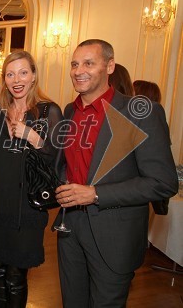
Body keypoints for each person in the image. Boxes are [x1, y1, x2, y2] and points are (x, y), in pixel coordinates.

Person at [54, 39, 178, 307]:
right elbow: (67, 163)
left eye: (89, 63)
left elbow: (163, 183)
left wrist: (95, 194)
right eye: (75, 64)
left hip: (114, 234)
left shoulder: (140, 112)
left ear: (110, 66)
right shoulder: (70, 111)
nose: (78, 70)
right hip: (70, 228)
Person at [0, 51, 63, 307]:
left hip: (26, 207)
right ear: (4, 79)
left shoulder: (48, 111)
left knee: (16, 274)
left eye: (23, 72)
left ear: (34, 75)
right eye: (10, 74)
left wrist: (33, 137)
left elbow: (58, 159)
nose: (17, 79)